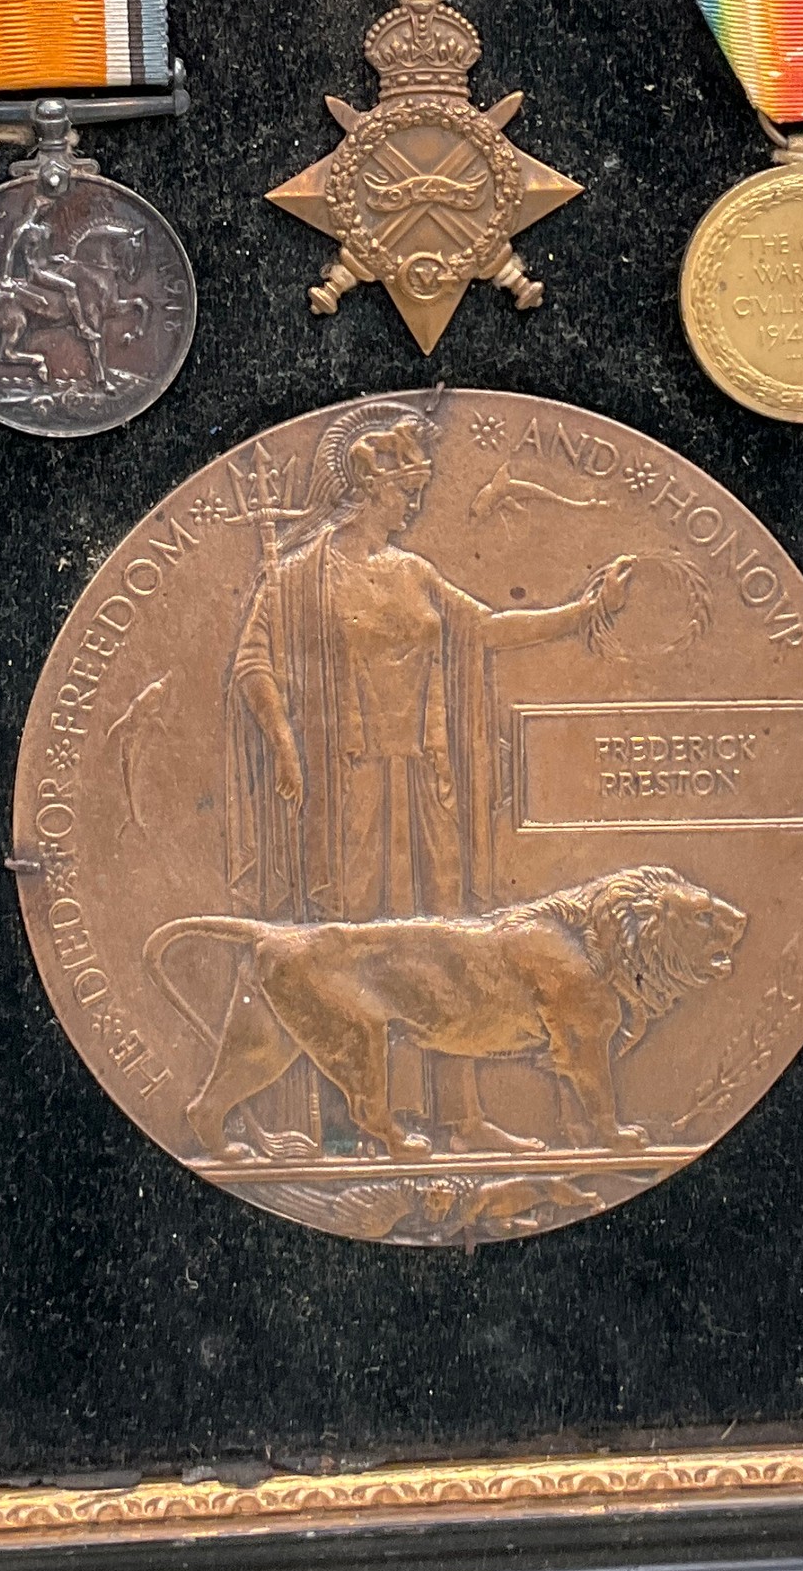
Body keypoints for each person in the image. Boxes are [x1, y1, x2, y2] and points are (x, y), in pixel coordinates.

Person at [221, 406, 631, 1150]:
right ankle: (355, 1120)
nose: (413, 504)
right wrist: (283, 741)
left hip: (424, 789)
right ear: (369, 488)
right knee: (349, 951)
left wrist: (582, 612)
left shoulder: (413, 572)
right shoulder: (296, 578)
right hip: (346, 792)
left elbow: (484, 628)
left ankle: (461, 1117)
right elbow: (253, 661)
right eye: (406, 490)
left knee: (449, 954)